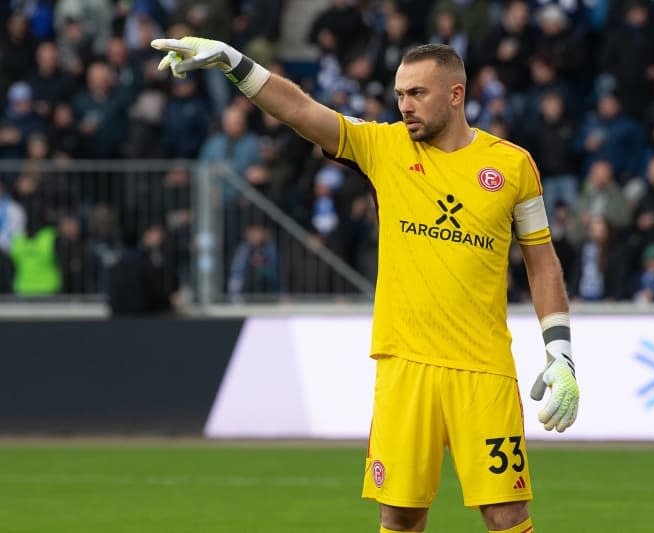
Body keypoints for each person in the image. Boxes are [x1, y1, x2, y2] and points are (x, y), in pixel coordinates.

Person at [152, 36, 579, 533]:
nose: (404, 106)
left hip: (483, 369)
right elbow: (300, 111)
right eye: (399, 94)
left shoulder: (513, 166)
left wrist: (561, 353)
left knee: (507, 514)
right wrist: (234, 62)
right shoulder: (383, 147)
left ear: (456, 95)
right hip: (404, 366)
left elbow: (542, 263)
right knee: (399, 514)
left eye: (417, 93)